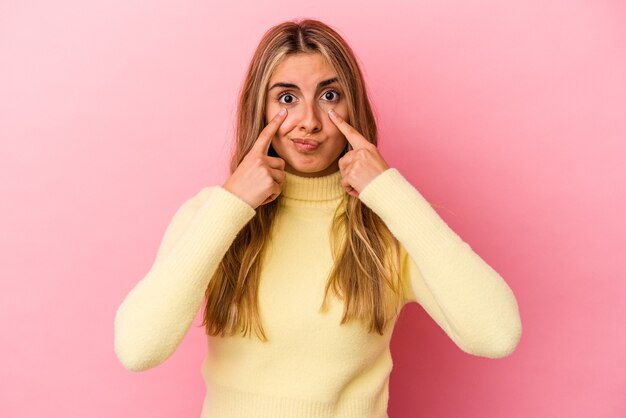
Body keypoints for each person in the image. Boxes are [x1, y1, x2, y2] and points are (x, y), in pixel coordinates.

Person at [114, 18, 522, 418]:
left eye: (329, 96)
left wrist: (391, 193)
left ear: (353, 106)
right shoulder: (212, 213)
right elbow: (138, 349)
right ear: (260, 108)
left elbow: (496, 334)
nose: (308, 120)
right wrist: (231, 204)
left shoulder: (390, 221)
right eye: (287, 99)